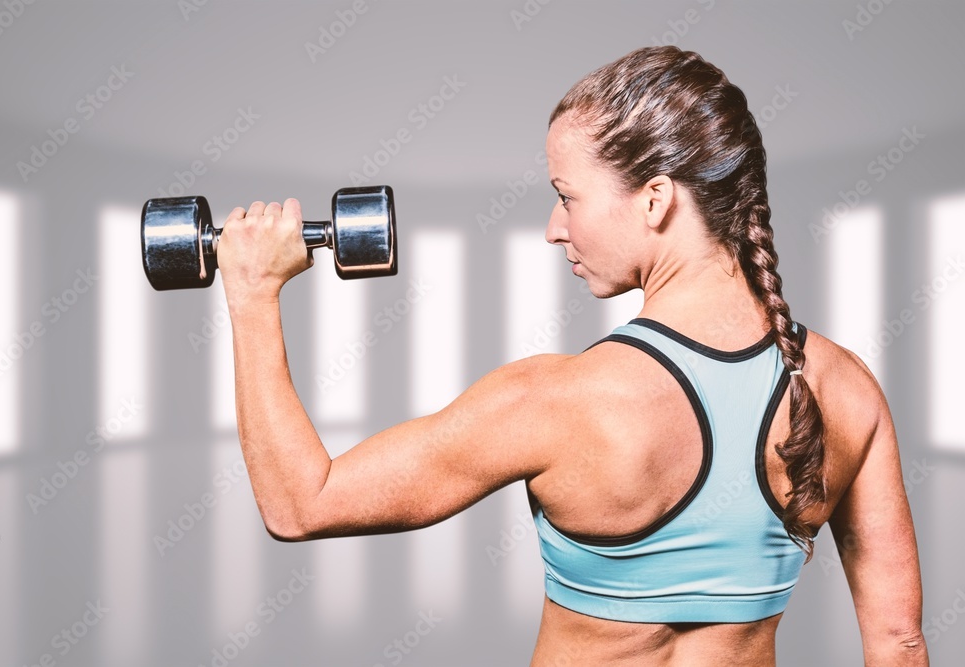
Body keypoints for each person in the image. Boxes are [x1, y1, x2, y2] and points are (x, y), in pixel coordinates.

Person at [215, 46, 927, 666]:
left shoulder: (557, 401)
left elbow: (301, 503)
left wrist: (251, 295)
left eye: (567, 196)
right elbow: (897, 643)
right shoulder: (843, 387)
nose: (557, 228)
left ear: (655, 200)